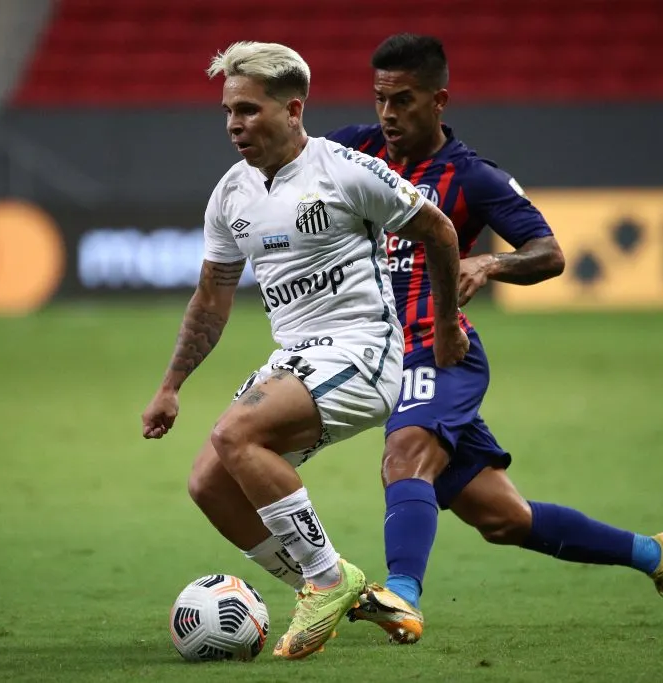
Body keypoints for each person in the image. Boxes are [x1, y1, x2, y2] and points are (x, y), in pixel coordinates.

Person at [320, 34, 663, 643]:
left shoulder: (471, 177)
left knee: (405, 456)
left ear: (439, 99)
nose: (389, 114)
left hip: (441, 348)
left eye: (404, 100)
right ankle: (657, 554)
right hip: (378, 354)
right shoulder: (354, 149)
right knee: (503, 518)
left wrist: (487, 265)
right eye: (380, 99)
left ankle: (401, 594)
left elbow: (549, 252)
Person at [141, 40, 469, 660]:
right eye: (228, 112)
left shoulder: (345, 171)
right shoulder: (231, 194)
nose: (235, 124)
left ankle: (325, 578)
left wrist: (447, 324)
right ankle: (333, 590)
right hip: (296, 357)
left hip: (363, 354)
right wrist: (170, 385)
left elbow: (440, 230)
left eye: (248, 110)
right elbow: (212, 295)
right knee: (210, 481)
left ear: (292, 110)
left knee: (236, 434)